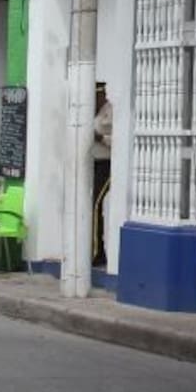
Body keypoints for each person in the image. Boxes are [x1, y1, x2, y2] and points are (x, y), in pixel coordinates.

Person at [92, 82, 113, 266]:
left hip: (108, 164)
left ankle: (98, 252)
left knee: (96, 204)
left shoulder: (109, 113)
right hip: (93, 164)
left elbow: (118, 141)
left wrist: (99, 137)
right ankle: (92, 250)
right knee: (88, 207)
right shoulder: (89, 112)